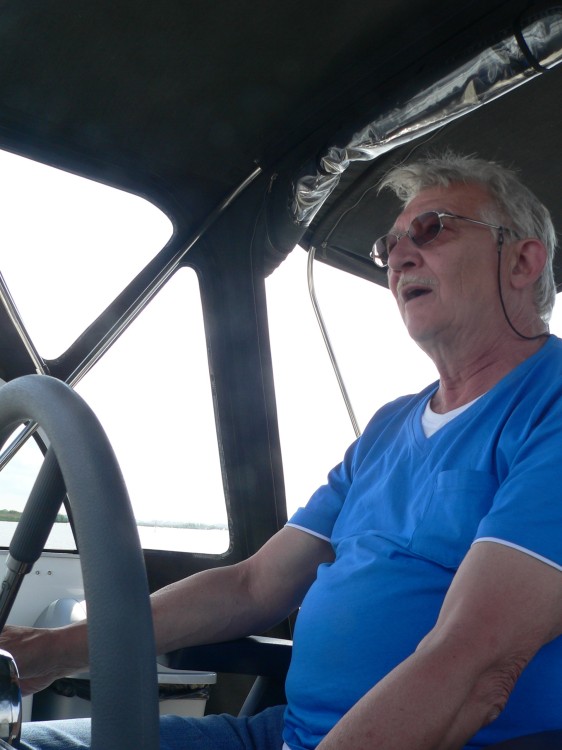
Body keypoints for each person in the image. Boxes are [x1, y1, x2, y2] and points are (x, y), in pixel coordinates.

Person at [4, 151, 562, 750]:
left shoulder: (549, 406)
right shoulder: (388, 427)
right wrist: (52, 651)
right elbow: (252, 585)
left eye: (432, 229)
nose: (400, 257)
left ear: (522, 260)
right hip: (284, 733)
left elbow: (478, 665)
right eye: (390, 244)